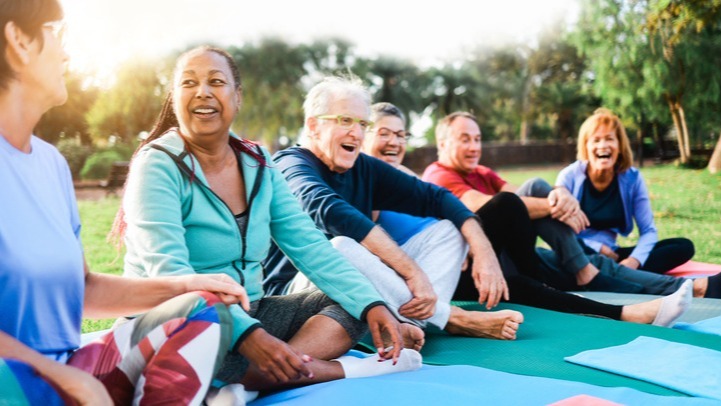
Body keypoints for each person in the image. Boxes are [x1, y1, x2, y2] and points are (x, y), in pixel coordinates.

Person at [114, 46, 420, 394]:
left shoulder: (257, 162)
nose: (203, 91)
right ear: (174, 96)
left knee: (350, 306)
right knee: (204, 336)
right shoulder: (157, 165)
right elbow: (170, 273)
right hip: (173, 322)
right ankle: (334, 371)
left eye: (217, 81)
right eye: (189, 83)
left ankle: (251, 382)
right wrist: (249, 335)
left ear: (237, 96)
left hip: (251, 313)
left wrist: (372, 304)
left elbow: (308, 244)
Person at [0, 2, 250, 404]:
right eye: (58, 35)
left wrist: (187, 285)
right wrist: (60, 376)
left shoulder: (50, 165)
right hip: (10, 380)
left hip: (68, 370)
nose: (66, 53)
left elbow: (83, 290)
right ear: (18, 41)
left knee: (200, 308)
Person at [263, 77, 524, 342]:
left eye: (363, 124)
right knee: (340, 246)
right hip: (295, 295)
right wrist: (413, 273)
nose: (356, 132)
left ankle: (410, 323)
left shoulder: (363, 166)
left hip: (361, 295)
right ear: (314, 126)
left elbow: (438, 198)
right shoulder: (289, 164)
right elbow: (330, 211)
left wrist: (483, 249)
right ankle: (451, 318)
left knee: (449, 230)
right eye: (345, 120)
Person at [421, 111, 694, 324]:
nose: (474, 146)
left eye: (478, 139)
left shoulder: (481, 172)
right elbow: (486, 205)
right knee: (582, 254)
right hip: (478, 266)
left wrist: (556, 194)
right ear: (443, 143)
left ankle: (688, 286)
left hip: (516, 254)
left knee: (588, 253)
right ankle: (589, 275)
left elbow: (519, 194)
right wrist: (556, 202)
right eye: (465, 139)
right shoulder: (439, 174)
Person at [557, 108, 694, 274]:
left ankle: (618, 272)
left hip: (615, 255)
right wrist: (599, 248)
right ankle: (614, 273)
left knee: (683, 246)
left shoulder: (633, 178)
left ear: (619, 146)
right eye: (596, 140)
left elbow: (648, 231)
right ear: (586, 146)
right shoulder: (569, 176)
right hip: (579, 251)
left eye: (609, 139)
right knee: (567, 250)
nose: (603, 145)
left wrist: (633, 261)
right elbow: (558, 231)